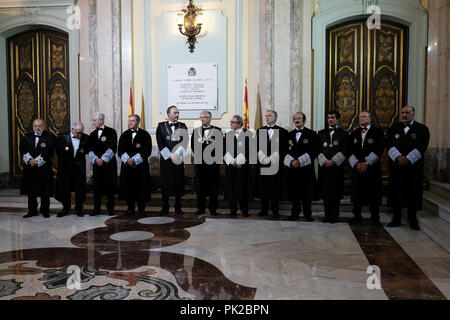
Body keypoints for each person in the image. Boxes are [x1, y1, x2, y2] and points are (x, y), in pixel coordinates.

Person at [386, 106, 430, 230]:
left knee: (413, 192)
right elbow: (388, 145)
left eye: (407, 112)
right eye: (402, 113)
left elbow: (423, 146)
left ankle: (412, 219)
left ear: (413, 114)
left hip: (413, 168)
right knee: (396, 192)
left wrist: (408, 158)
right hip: (396, 167)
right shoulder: (393, 128)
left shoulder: (422, 129)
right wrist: (398, 157)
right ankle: (396, 218)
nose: (404, 115)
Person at [348, 111, 385, 226]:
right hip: (357, 168)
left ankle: (375, 217)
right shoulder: (354, 133)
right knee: (357, 193)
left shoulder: (378, 132)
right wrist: (356, 164)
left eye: (364, 117)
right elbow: (349, 150)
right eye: (360, 117)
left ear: (370, 119)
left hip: (372, 168)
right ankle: (356, 216)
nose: (361, 119)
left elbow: (379, 148)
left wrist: (367, 163)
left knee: (373, 193)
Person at [284, 112, 319, 221]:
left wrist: (299, 161)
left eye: (299, 118)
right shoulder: (289, 134)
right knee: (294, 192)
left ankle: (307, 214)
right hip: (293, 169)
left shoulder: (312, 134)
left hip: (306, 169)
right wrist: (291, 161)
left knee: (306, 193)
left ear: (304, 120)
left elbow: (314, 150)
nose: (297, 120)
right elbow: (284, 150)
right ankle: (294, 213)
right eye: (295, 118)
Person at [255, 110, 289, 218]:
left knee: (275, 187)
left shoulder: (283, 131)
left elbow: (284, 149)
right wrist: (263, 158)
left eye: (269, 116)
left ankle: (275, 210)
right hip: (262, 163)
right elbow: (256, 146)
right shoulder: (260, 130)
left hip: (276, 164)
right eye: (266, 116)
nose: (267, 117)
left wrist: (271, 158)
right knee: (263, 186)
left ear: (275, 118)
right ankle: (263, 209)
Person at [20, 119, 56, 218]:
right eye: (35, 126)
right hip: (30, 169)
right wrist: (29, 160)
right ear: (33, 126)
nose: (37, 128)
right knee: (31, 191)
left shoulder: (49, 137)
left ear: (43, 126)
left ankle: (45, 210)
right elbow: (23, 149)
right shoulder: (27, 137)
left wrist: (36, 161)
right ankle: (32, 210)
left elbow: (49, 151)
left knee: (45, 191)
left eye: (39, 126)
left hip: (43, 168)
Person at [317, 111, 349, 223]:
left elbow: (345, 150)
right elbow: (317, 149)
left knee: (335, 192)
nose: (330, 119)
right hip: (324, 168)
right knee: (325, 192)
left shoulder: (344, 134)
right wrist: (325, 161)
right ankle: (327, 215)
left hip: (336, 168)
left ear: (338, 119)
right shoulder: (320, 133)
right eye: (328, 117)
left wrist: (333, 161)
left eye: (333, 117)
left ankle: (334, 216)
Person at [156, 106, 188, 215]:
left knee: (178, 182)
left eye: (178, 113)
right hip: (166, 160)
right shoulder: (161, 126)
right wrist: (170, 155)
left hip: (178, 159)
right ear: (169, 114)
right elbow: (160, 143)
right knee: (165, 183)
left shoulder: (182, 126)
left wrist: (177, 154)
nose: (177, 115)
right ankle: (165, 207)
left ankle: (178, 207)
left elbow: (184, 142)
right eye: (175, 112)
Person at [118, 114, 152, 216]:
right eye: (129, 121)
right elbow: (120, 150)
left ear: (138, 122)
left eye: (132, 121)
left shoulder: (145, 135)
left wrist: (134, 160)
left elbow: (147, 150)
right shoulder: (124, 135)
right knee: (128, 188)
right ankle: (130, 208)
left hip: (140, 167)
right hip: (127, 167)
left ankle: (141, 210)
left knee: (141, 188)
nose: (130, 123)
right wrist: (128, 159)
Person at [55, 122, 90, 217]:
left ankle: (79, 208)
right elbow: (58, 151)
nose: (79, 135)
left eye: (81, 132)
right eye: (77, 132)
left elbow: (86, 151)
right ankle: (66, 208)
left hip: (79, 168)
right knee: (65, 188)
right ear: (72, 130)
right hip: (65, 168)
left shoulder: (86, 138)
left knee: (80, 189)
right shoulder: (62, 137)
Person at [191, 111, 223, 216]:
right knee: (200, 187)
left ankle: (213, 208)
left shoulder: (217, 130)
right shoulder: (196, 131)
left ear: (210, 118)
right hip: (200, 164)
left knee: (213, 187)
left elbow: (220, 147)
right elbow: (193, 146)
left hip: (213, 164)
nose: (202, 119)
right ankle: (200, 208)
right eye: (201, 117)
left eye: (204, 117)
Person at [88, 113, 118, 216]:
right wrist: (96, 159)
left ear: (101, 121)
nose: (93, 122)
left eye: (94, 120)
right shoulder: (92, 134)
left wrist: (103, 159)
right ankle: (96, 208)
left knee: (110, 186)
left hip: (109, 164)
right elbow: (90, 149)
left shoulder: (111, 132)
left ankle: (110, 208)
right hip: (97, 164)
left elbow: (113, 147)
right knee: (97, 187)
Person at [224, 115, 251, 217]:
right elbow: (223, 150)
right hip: (231, 167)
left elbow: (249, 150)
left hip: (242, 167)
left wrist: (239, 162)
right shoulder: (228, 135)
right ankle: (233, 209)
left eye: (233, 122)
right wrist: (231, 161)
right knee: (231, 188)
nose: (231, 124)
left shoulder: (248, 134)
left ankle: (245, 210)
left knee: (243, 188)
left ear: (239, 124)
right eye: (231, 122)